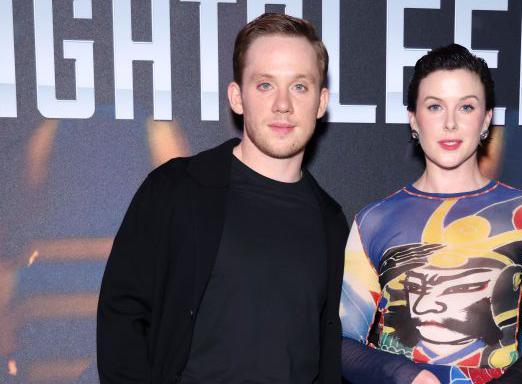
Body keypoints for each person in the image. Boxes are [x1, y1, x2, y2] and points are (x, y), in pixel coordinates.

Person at [97, 13, 349, 384]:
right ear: (237, 97)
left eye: (300, 87)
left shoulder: (330, 222)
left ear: (321, 101)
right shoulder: (176, 190)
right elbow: (122, 316)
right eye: (265, 85)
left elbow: (329, 354)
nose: (283, 104)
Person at [339, 44, 522, 384]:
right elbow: (342, 344)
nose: (449, 123)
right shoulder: (374, 221)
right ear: (413, 119)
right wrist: (406, 375)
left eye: (466, 107)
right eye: (435, 107)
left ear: (486, 119)